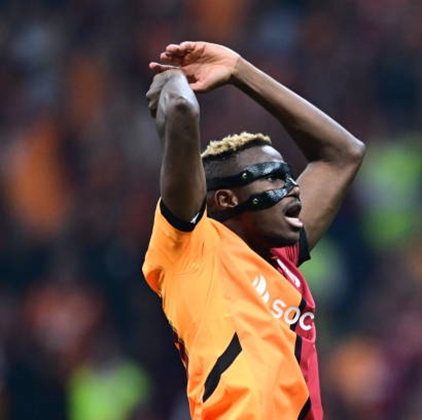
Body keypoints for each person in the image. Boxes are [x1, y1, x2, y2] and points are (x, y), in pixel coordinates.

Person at [142, 41, 365, 420]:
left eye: (290, 177)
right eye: (274, 177)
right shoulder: (193, 248)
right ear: (226, 199)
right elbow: (181, 110)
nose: (293, 189)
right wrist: (172, 79)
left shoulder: (280, 262)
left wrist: (240, 69)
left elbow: (344, 154)